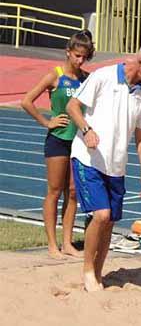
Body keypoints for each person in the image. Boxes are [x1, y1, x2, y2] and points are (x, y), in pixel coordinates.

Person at [66, 43, 141, 292]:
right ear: (140, 63)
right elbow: (72, 106)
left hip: (116, 165)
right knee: (100, 215)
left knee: (109, 221)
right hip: (89, 158)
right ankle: (88, 271)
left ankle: (99, 272)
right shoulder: (104, 76)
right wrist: (86, 130)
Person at [21, 30, 94, 259]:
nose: (80, 60)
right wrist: (46, 121)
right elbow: (26, 101)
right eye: (77, 55)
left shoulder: (87, 78)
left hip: (79, 142)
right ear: (68, 52)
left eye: (84, 57)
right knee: (54, 191)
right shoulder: (55, 75)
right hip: (58, 140)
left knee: (72, 192)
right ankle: (52, 244)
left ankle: (67, 243)